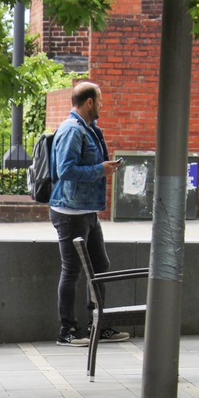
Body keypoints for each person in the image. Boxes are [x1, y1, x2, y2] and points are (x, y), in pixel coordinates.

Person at [49, 82, 128, 346]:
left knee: (100, 266)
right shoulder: (72, 130)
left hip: (86, 210)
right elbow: (65, 170)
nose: (103, 105)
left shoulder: (90, 130)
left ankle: (100, 325)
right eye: (101, 101)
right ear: (90, 102)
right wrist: (100, 170)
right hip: (70, 211)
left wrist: (103, 166)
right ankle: (67, 331)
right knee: (71, 270)